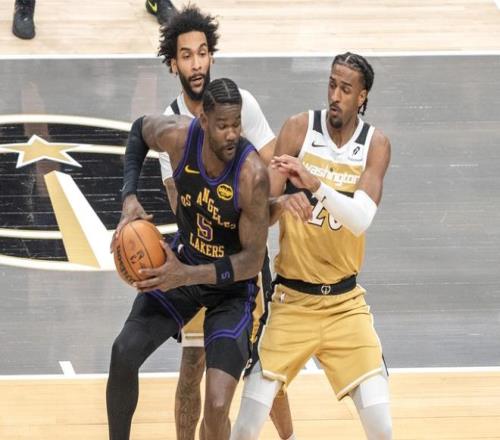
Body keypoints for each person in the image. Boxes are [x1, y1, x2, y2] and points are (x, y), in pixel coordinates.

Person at [122, 5, 295, 440]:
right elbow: (179, 199)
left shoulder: (240, 104)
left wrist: (261, 206)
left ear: (211, 56)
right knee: (191, 366)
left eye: (202, 53)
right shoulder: (172, 124)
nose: (196, 63)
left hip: (244, 257)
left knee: (264, 368)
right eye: (186, 56)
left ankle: (289, 436)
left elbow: (273, 167)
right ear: (173, 64)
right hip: (196, 254)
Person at [230, 53, 393, 440]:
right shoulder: (298, 129)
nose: (335, 95)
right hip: (292, 302)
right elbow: (264, 214)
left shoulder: (375, 144)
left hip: (345, 305)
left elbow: (360, 219)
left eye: (346, 89)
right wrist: (281, 200)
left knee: (382, 428)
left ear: (362, 96)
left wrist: (314, 184)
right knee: (245, 427)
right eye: (332, 85)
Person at [107, 78, 270, 440]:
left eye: (237, 124)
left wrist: (186, 275)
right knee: (123, 352)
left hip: (231, 291)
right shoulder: (179, 137)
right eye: (223, 125)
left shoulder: (252, 175)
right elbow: (138, 132)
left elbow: (252, 261)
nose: (232, 134)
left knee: (216, 405)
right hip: (183, 262)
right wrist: (129, 197)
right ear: (203, 120)